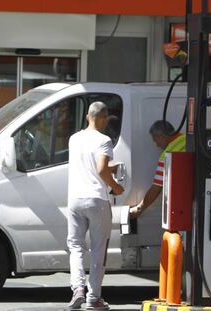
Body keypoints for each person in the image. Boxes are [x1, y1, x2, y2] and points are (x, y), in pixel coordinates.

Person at [67, 101, 124, 310]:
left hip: (74, 199)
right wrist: (115, 186)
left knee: (75, 247)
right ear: (103, 118)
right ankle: (93, 298)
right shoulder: (104, 140)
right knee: (99, 248)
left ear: (87, 116)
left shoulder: (74, 139)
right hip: (97, 199)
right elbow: (100, 170)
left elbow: (89, 164)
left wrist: (110, 167)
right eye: (106, 119)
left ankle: (77, 290)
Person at [129, 120, 186, 218]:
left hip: (182, 204)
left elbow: (156, 188)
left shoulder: (167, 155)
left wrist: (140, 208)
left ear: (162, 136)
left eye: (156, 140)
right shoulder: (187, 139)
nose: (157, 145)